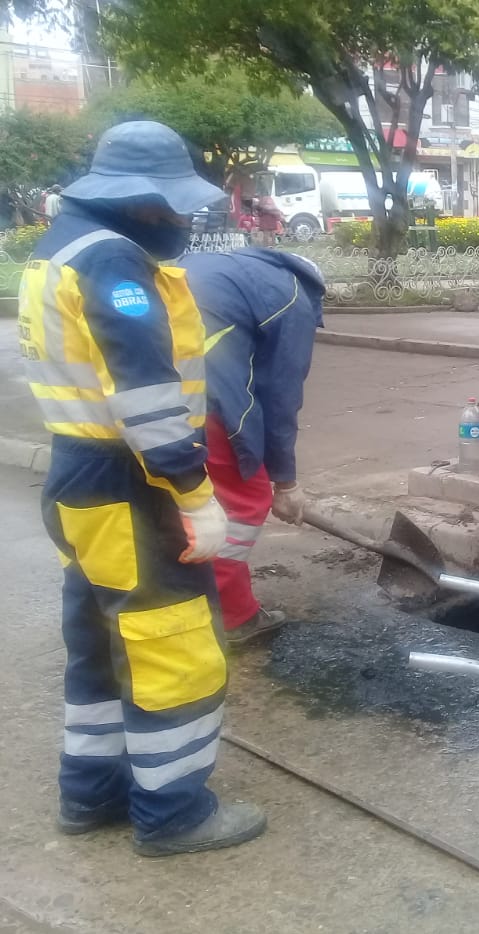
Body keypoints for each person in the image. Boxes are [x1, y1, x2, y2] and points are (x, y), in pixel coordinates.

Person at [16, 120, 267, 856]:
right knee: (173, 646)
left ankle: (90, 796)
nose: (183, 220)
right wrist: (195, 495)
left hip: (79, 477)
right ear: (142, 202)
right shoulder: (113, 265)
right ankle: (173, 813)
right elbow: (147, 399)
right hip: (132, 483)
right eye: (174, 206)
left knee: (99, 640)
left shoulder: (55, 248)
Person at [178, 248, 326, 644]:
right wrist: (285, 483)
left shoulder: (237, 269)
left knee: (184, 499)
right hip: (202, 397)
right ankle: (222, 616)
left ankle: (211, 606)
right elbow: (280, 395)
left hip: (147, 393)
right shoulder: (293, 296)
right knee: (244, 502)